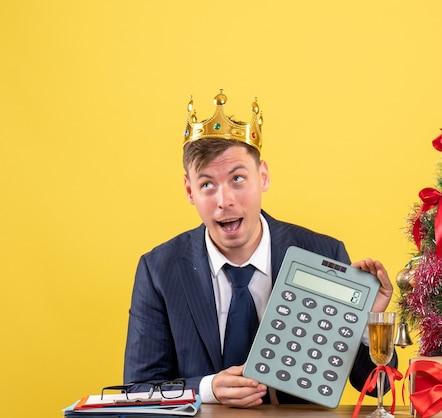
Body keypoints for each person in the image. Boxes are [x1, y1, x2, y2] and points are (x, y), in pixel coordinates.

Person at [123, 90, 397, 408]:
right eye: (207, 185)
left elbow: (379, 388)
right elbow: (138, 391)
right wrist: (208, 388)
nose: (224, 201)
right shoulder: (159, 269)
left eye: (237, 178)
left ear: (262, 177)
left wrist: (370, 324)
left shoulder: (325, 255)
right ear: (189, 191)